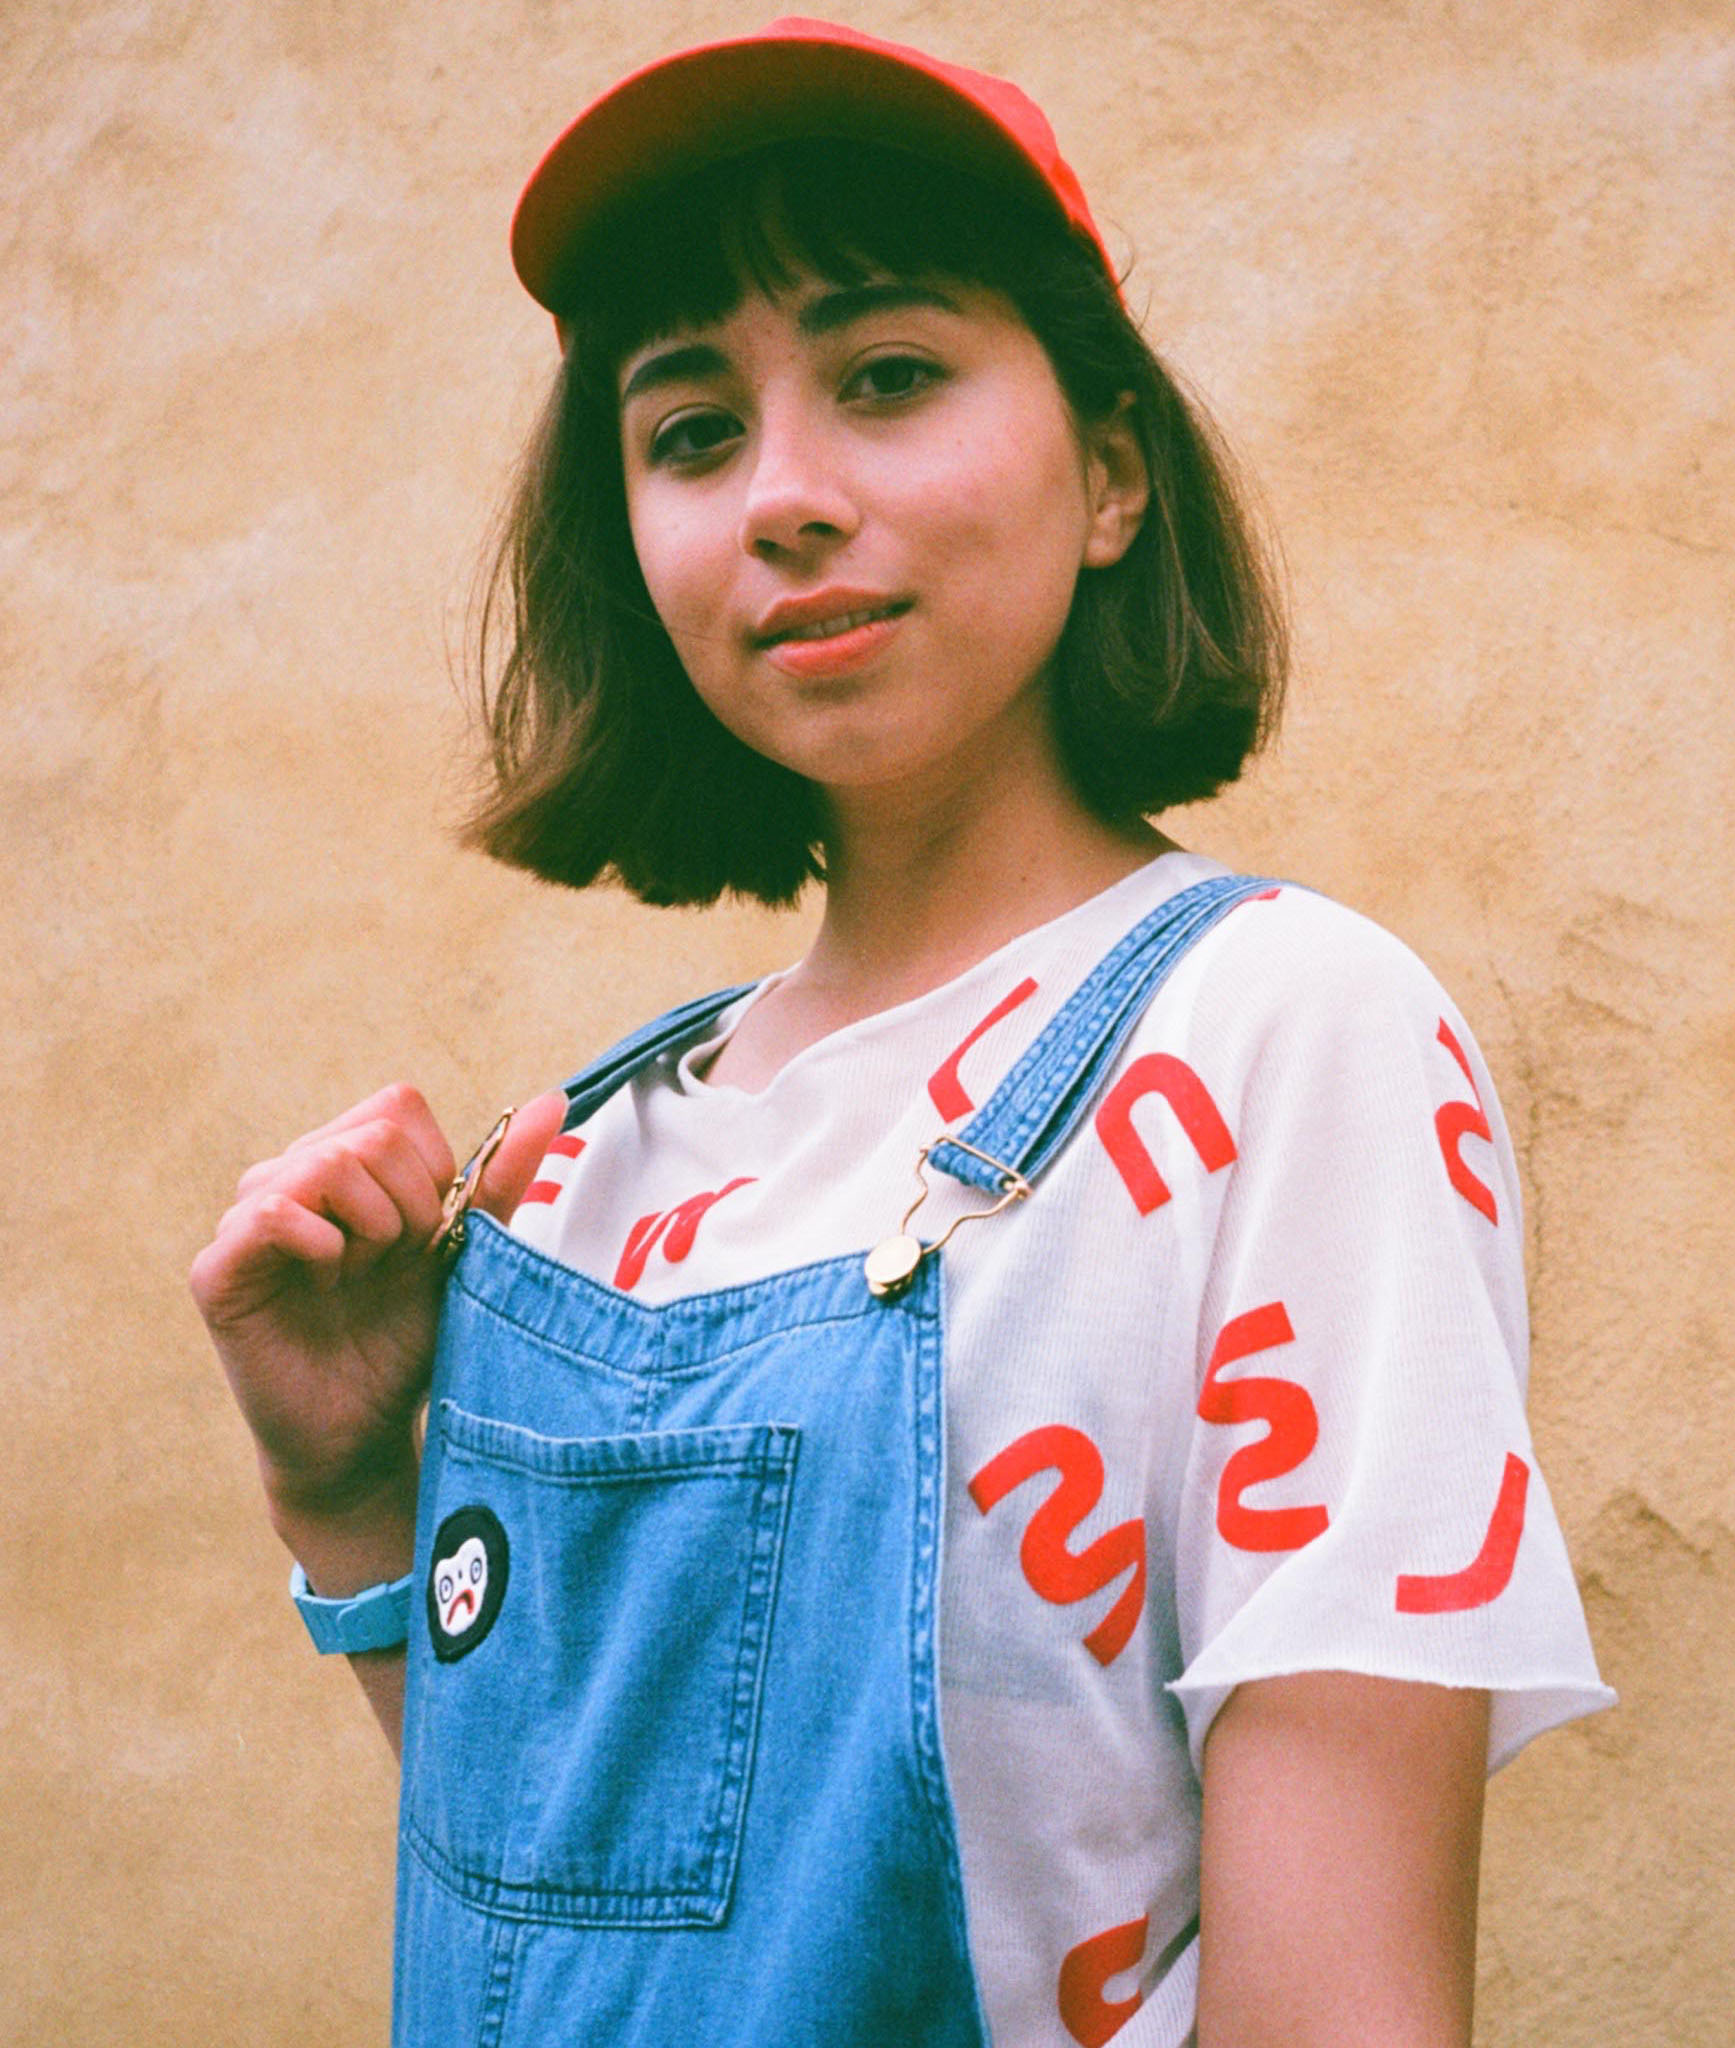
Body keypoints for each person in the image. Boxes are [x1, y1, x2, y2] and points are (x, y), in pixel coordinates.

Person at [190, 20, 1613, 2047]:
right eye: (689, 429)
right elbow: (586, 1910)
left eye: (886, 376)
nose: (781, 496)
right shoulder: (589, 1156)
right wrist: (339, 1493)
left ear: (1111, 472)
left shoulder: (1287, 1035)